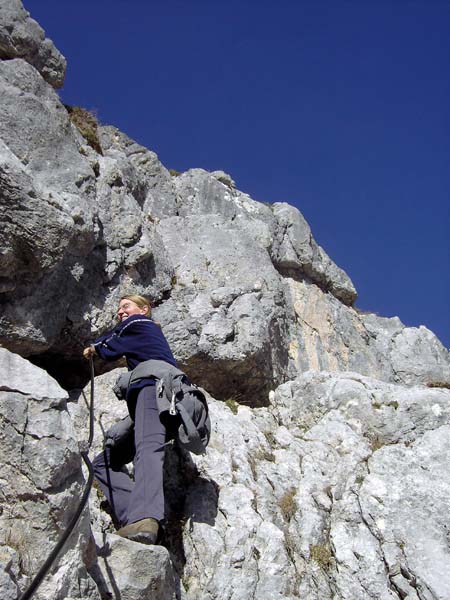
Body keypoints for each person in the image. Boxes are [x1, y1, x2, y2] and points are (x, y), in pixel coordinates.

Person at [83, 294, 177, 544]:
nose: (120, 312)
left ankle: (146, 516)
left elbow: (112, 343)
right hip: (166, 399)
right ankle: (132, 519)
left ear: (144, 309)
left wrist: (94, 347)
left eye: (126, 306)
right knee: (103, 462)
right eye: (119, 309)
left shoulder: (137, 324)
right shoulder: (147, 331)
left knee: (147, 448)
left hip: (152, 389)